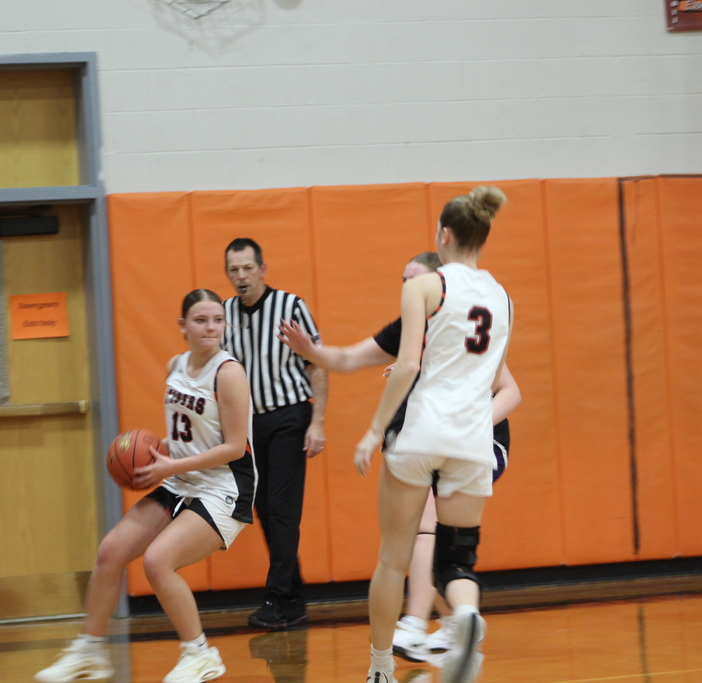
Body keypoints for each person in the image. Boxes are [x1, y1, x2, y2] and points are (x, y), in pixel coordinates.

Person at [278, 252, 521, 663]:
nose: (407, 286)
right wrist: (311, 351)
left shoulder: (458, 327)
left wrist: (470, 425)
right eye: (403, 279)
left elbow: (512, 391)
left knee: (424, 526)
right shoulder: (410, 328)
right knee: (431, 541)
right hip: (437, 442)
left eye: (415, 279)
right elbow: (349, 358)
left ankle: (413, 625)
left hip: (481, 441)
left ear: (437, 284)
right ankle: (456, 621)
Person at [35, 289, 255, 683]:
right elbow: (187, 435)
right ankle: (90, 650)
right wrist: (155, 453)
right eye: (201, 320)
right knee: (111, 551)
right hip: (182, 478)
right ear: (183, 325)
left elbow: (235, 447)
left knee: (157, 561)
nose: (210, 328)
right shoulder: (176, 365)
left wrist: (171, 465)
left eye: (217, 320)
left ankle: (200, 655)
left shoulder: (228, 373)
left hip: (224, 487)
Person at [355, 186, 510, 683]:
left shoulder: (427, 288)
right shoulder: (501, 297)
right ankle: (464, 616)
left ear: (444, 235)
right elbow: (497, 379)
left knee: (392, 557)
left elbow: (406, 367)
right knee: (457, 559)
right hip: (472, 442)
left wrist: (373, 431)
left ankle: (382, 666)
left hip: (424, 434)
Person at [222, 238, 329, 631]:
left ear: (262, 269)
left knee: (282, 509)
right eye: (234, 270)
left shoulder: (291, 307)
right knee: (265, 509)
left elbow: (317, 364)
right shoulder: (225, 314)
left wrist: (317, 422)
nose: (241, 276)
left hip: (288, 417)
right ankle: (295, 596)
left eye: (248, 268)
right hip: (249, 424)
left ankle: (277, 599)